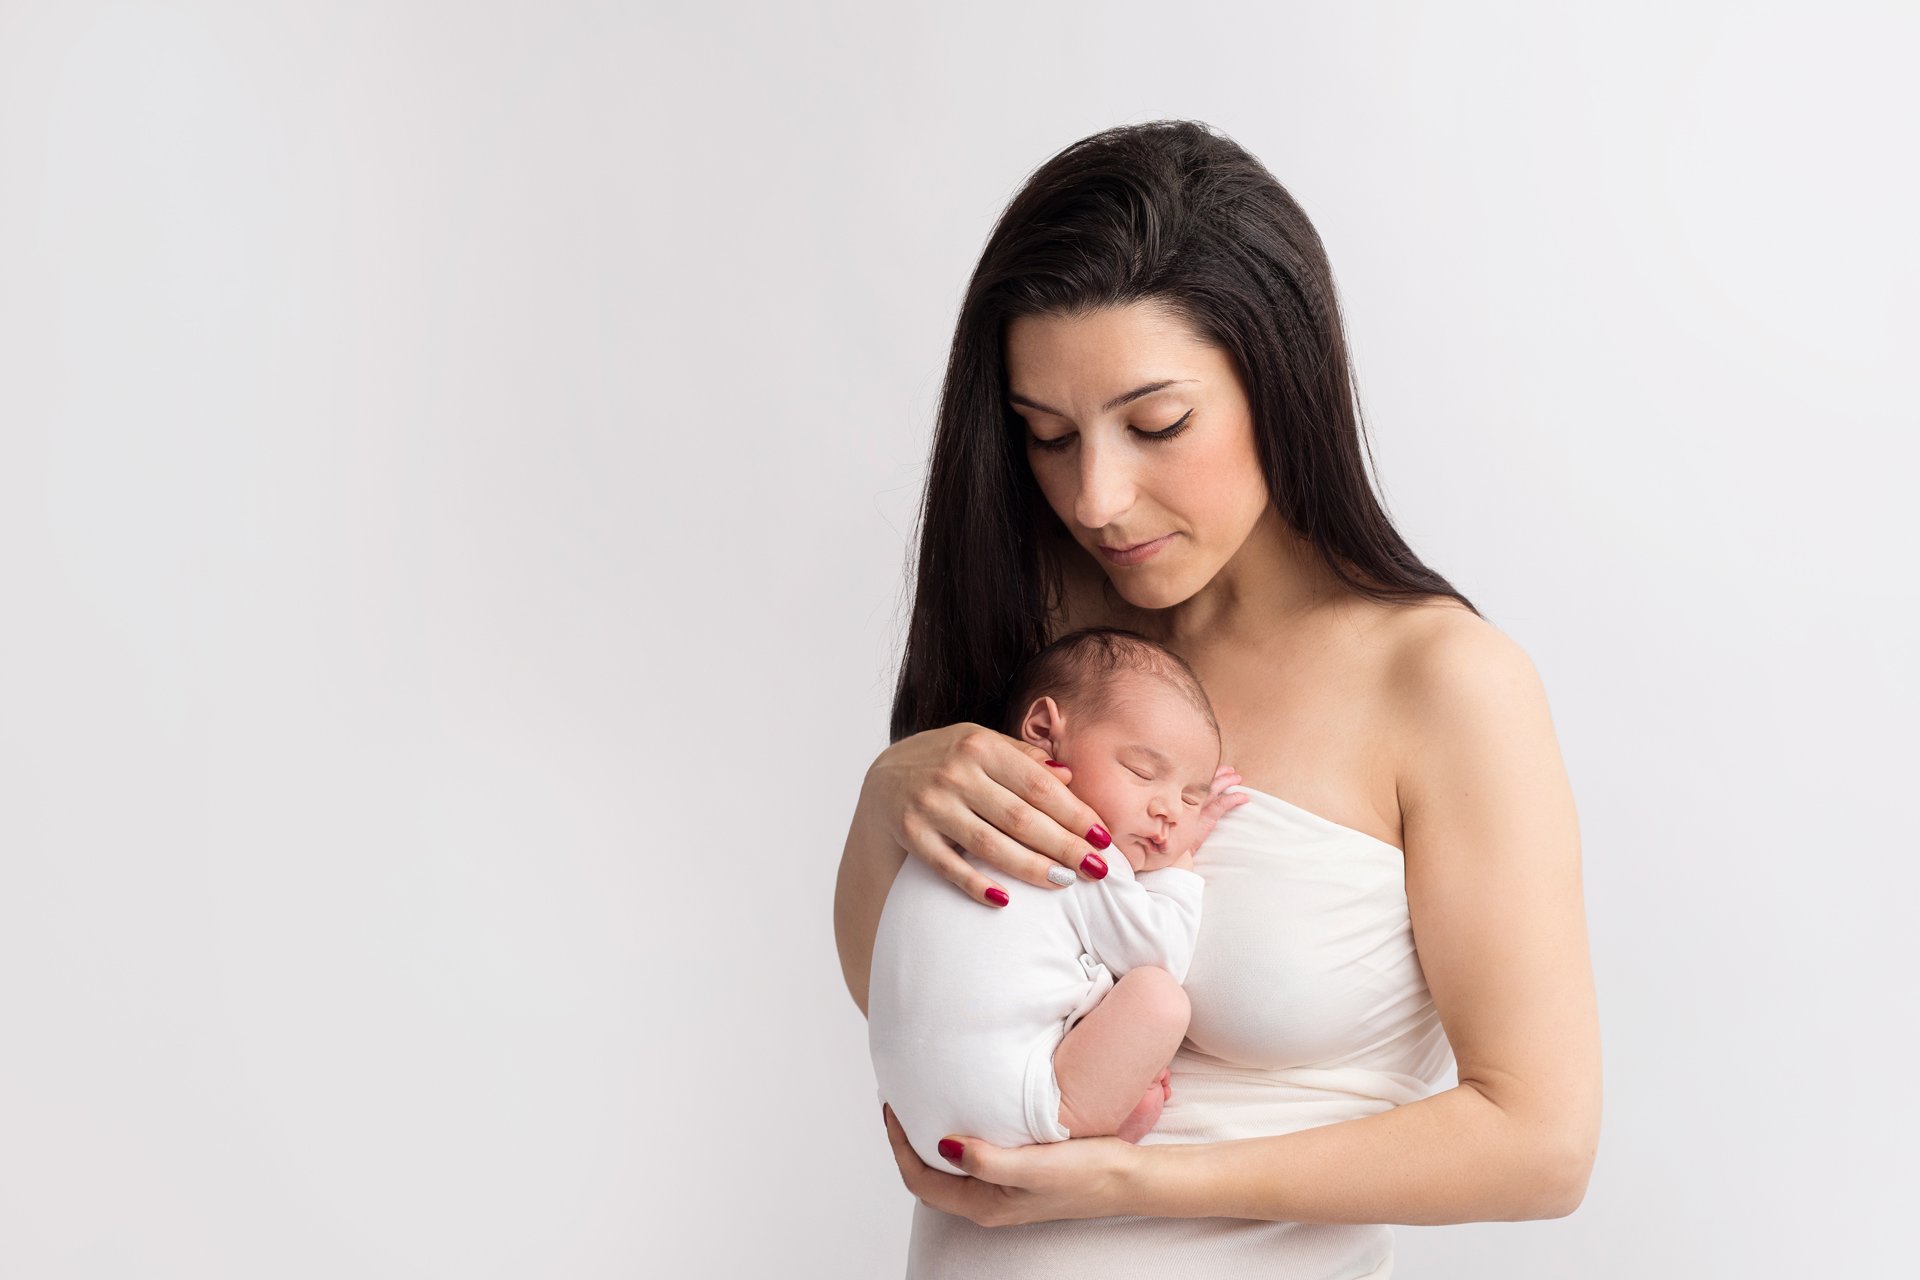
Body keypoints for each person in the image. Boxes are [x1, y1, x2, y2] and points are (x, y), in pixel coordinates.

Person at [832, 119, 1601, 1278]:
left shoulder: (1443, 681)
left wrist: (1129, 1180)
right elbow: (901, 987)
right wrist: (892, 792)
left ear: (1279, 383)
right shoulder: (1054, 639)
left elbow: (1540, 1144)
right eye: (1048, 435)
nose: (1096, 496)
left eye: (1157, 424)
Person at [868, 626, 1252, 1172]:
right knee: (1160, 997)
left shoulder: (956, 815)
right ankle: (1078, 1119)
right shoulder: (1077, 841)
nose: (1169, 810)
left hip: (915, 1115)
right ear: (1045, 732)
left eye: (1191, 798)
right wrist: (1178, 866)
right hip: (1011, 1107)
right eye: (1143, 772)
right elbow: (1162, 953)